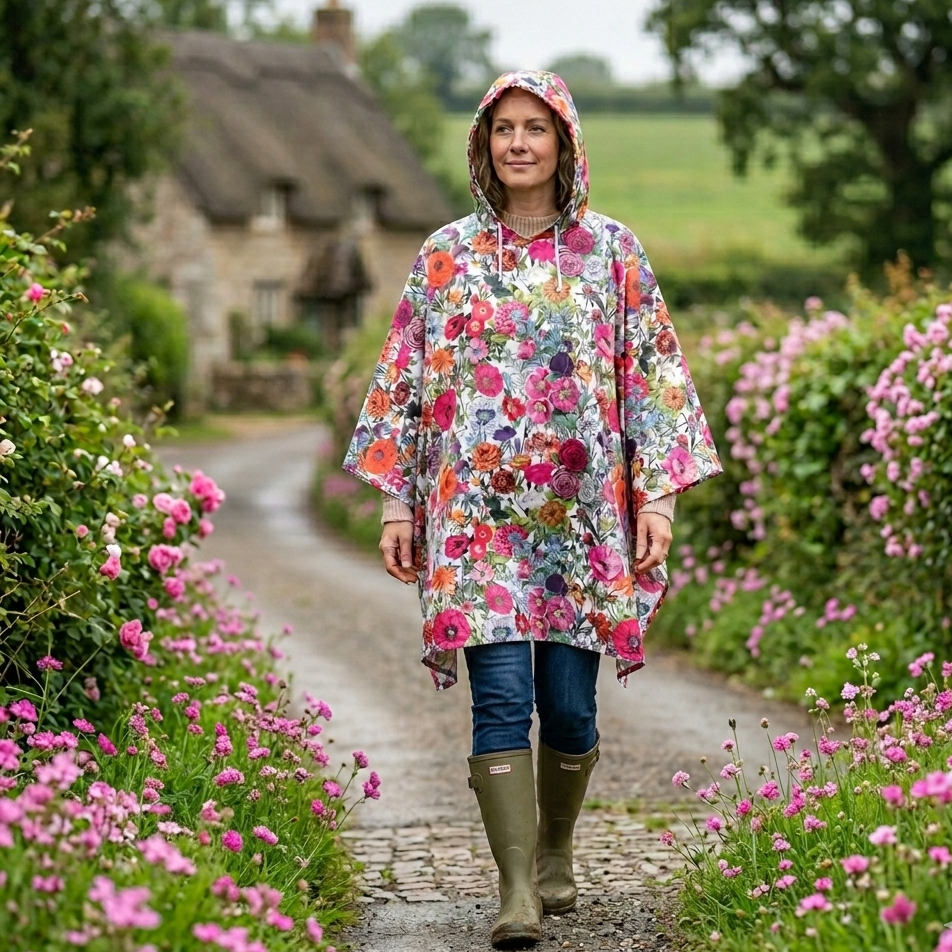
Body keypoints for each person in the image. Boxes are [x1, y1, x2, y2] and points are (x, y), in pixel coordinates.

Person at [344, 70, 721, 948]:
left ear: (565, 144)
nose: (518, 143)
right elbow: (405, 384)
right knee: (501, 698)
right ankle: (515, 890)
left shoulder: (612, 254)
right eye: (503, 129)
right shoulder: (445, 256)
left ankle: (555, 847)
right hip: (476, 526)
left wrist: (654, 498)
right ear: (483, 144)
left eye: (535, 129)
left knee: (572, 708)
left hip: (581, 529)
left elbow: (654, 380)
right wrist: (400, 504)